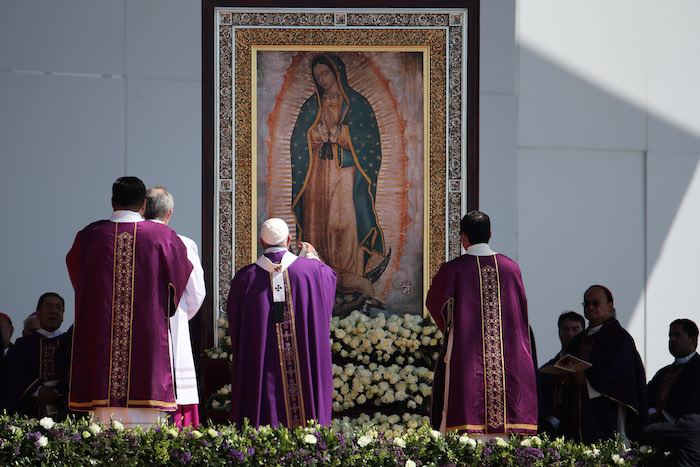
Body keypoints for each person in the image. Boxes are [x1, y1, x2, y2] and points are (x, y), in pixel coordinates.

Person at [66, 176, 192, 428]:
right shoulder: (162, 236)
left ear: (112, 202)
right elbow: (179, 275)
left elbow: (78, 278)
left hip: (100, 345)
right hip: (148, 343)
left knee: (102, 434)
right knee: (149, 438)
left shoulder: (90, 236)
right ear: (144, 204)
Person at [427, 210, 537, 437]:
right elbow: (521, 315)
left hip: (467, 361)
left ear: (462, 237)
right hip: (507, 360)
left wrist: (451, 322)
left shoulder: (453, 269)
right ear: (490, 233)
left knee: (465, 431)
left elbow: (435, 305)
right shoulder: (511, 268)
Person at [226, 218, 337, 428]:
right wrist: (312, 257)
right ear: (288, 240)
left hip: (262, 362)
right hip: (303, 360)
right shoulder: (312, 271)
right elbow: (329, 280)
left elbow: (235, 320)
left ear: (261, 242)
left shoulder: (245, 278)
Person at [290, 54, 385, 298]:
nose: (321, 79)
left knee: (343, 224)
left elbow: (370, 143)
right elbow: (298, 141)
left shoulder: (357, 104)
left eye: (325, 74)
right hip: (317, 175)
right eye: (317, 76)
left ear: (337, 73)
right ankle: (319, 274)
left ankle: (349, 276)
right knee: (319, 222)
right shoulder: (312, 105)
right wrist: (316, 135)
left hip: (346, 175)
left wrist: (339, 133)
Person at [145, 186, 206, 428]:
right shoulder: (182, 243)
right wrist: (176, 316)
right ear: (170, 213)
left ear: (142, 209)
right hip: (171, 326)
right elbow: (196, 294)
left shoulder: (127, 241)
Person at [563, 285, 647, 444]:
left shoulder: (619, 338)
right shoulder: (578, 340)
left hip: (606, 412)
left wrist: (587, 380)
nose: (589, 307)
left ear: (610, 306)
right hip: (579, 412)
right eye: (586, 304)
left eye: (595, 303)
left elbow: (621, 375)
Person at [0, 293, 72, 418]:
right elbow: (14, 373)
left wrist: (57, 391)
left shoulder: (71, 342)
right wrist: (37, 390)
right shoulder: (23, 344)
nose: (54, 311)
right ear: (38, 313)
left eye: (58, 307)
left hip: (64, 408)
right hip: (31, 409)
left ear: (63, 315)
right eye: (48, 306)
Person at [539, 311, 585, 434]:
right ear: (559, 332)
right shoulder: (545, 371)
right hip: (553, 431)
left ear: (583, 332)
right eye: (565, 329)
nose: (570, 333)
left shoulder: (592, 368)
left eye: (575, 329)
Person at [646, 319, 700, 422]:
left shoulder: (697, 368)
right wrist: (651, 412)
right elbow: (647, 395)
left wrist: (662, 415)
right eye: (670, 336)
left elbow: (692, 401)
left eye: (677, 335)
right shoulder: (663, 372)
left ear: (693, 340)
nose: (672, 340)